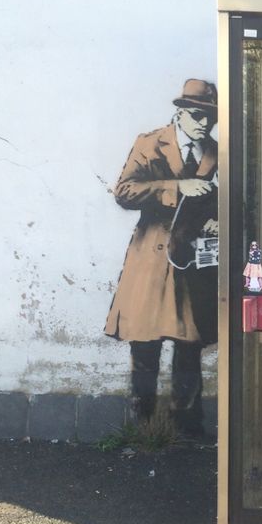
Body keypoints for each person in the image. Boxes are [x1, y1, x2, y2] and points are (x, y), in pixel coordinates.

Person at [104, 79, 218, 437]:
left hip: (190, 257)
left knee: (190, 344)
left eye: (210, 118)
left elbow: (217, 197)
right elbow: (124, 192)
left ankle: (187, 423)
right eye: (198, 116)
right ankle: (143, 423)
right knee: (146, 342)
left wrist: (215, 218)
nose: (204, 124)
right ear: (180, 113)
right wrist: (175, 187)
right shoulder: (150, 142)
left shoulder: (213, 150)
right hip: (152, 257)